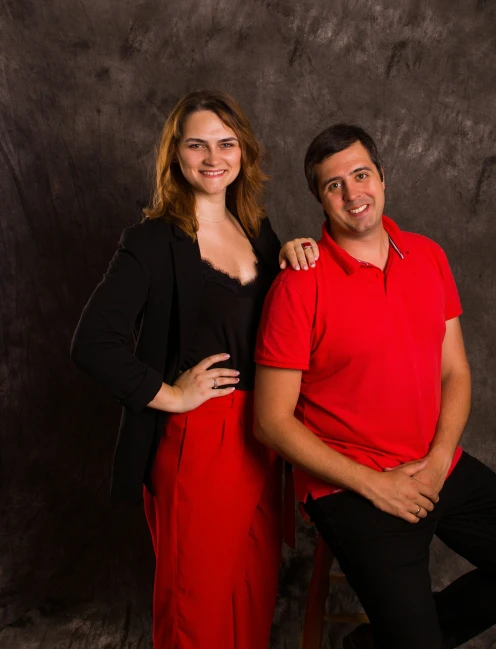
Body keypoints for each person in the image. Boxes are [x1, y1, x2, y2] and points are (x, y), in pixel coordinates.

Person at [253, 124, 496, 649]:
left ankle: (376, 645)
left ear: (382, 177)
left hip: (435, 464)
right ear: (319, 198)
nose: (353, 194)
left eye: (361, 175)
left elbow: (456, 372)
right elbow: (270, 421)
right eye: (334, 185)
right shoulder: (299, 284)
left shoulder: (428, 256)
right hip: (352, 486)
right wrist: (375, 484)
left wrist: (439, 457)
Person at [70, 90, 319, 649]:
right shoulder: (151, 242)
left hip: (264, 436)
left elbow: (276, 324)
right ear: (175, 155)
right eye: (197, 144)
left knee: (250, 602)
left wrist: (293, 256)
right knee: (195, 614)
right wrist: (171, 395)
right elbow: (92, 343)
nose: (214, 157)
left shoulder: (259, 230)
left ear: (244, 154)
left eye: (227, 143)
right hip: (198, 441)